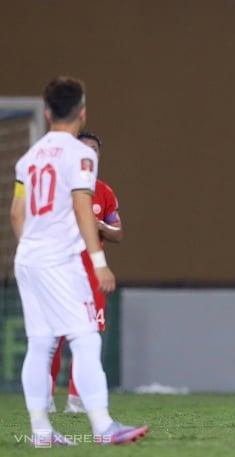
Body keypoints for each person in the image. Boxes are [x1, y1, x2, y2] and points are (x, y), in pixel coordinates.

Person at [10, 76, 147, 446]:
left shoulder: (29, 158)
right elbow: (83, 204)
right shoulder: (81, 155)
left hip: (28, 259)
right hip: (60, 261)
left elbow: (16, 214)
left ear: (48, 111)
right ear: (82, 113)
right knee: (86, 339)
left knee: (41, 343)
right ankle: (104, 427)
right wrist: (99, 261)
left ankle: (42, 432)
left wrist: (32, 248)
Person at [49, 131, 123, 414]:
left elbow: (118, 233)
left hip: (92, 273)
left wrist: (102, 227)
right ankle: (45, 396)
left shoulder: (104, 192)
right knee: (53, 336)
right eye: (84, 148)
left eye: (94, 148)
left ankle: (76, 400)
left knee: (88, 336)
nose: (89, 152)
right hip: (59, 269)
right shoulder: (57, 189)